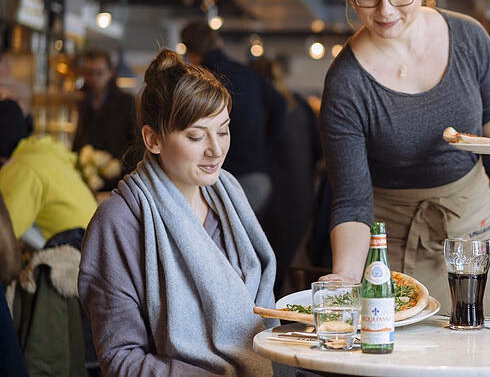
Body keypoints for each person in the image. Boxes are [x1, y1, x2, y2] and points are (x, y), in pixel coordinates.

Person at [318, 0, 490, 316]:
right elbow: (352, 200)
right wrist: (345, 279)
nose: (385, 12)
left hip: (472, 221)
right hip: (392, 237)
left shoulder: (469, 37)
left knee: (482, 351)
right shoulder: (346, 81)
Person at [79, 49, 280, 376]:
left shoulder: (228, 199)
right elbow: (120, 358)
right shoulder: (120, 221)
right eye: (196, 136)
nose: (216, 150)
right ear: (153, 139)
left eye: (224, 130)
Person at [181, 22, 287, 213]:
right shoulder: (248, 73)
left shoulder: (199, 82)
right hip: (258, 177)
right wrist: (265, 148)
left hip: (222, 179)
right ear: (219, 43)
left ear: (190, 53)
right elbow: (280, 104)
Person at [251, 57, 323, 294]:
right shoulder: (300, 103)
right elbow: (319, 150)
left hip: (270, 194)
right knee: (288, 257)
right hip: (301, 192)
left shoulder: (258, 106)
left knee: (266, 257)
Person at [0, 99, 97, 241]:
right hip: (90, 251)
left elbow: (4, 234)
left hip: (75, 257)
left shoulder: (24, 168)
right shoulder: (42, 154)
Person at [72, 49, 138, 189]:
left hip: (118, 179)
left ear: (110, 73)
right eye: (90, 73)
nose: (94, 78)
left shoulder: (126, 102)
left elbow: (135, 143)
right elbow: (79, 138)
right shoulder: (83, 102)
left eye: (99, 73)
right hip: (87, 178)